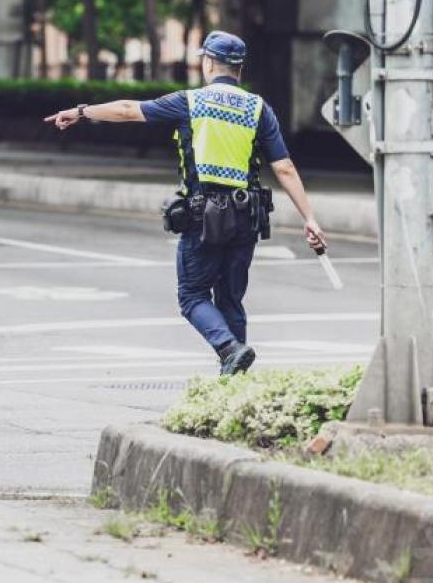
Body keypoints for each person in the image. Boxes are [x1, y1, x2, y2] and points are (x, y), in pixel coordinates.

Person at [45, 31, 327, 376]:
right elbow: (284, 167)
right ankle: (234, 384)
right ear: (239, 68)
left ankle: (229, 349)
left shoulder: (191, 102)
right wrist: (309, 218)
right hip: (246, 217)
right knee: (230, 300)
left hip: (204, 215)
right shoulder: (258, 108)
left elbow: (127, 110)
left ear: (207, 62)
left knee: (192, 295)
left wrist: (81, 111)